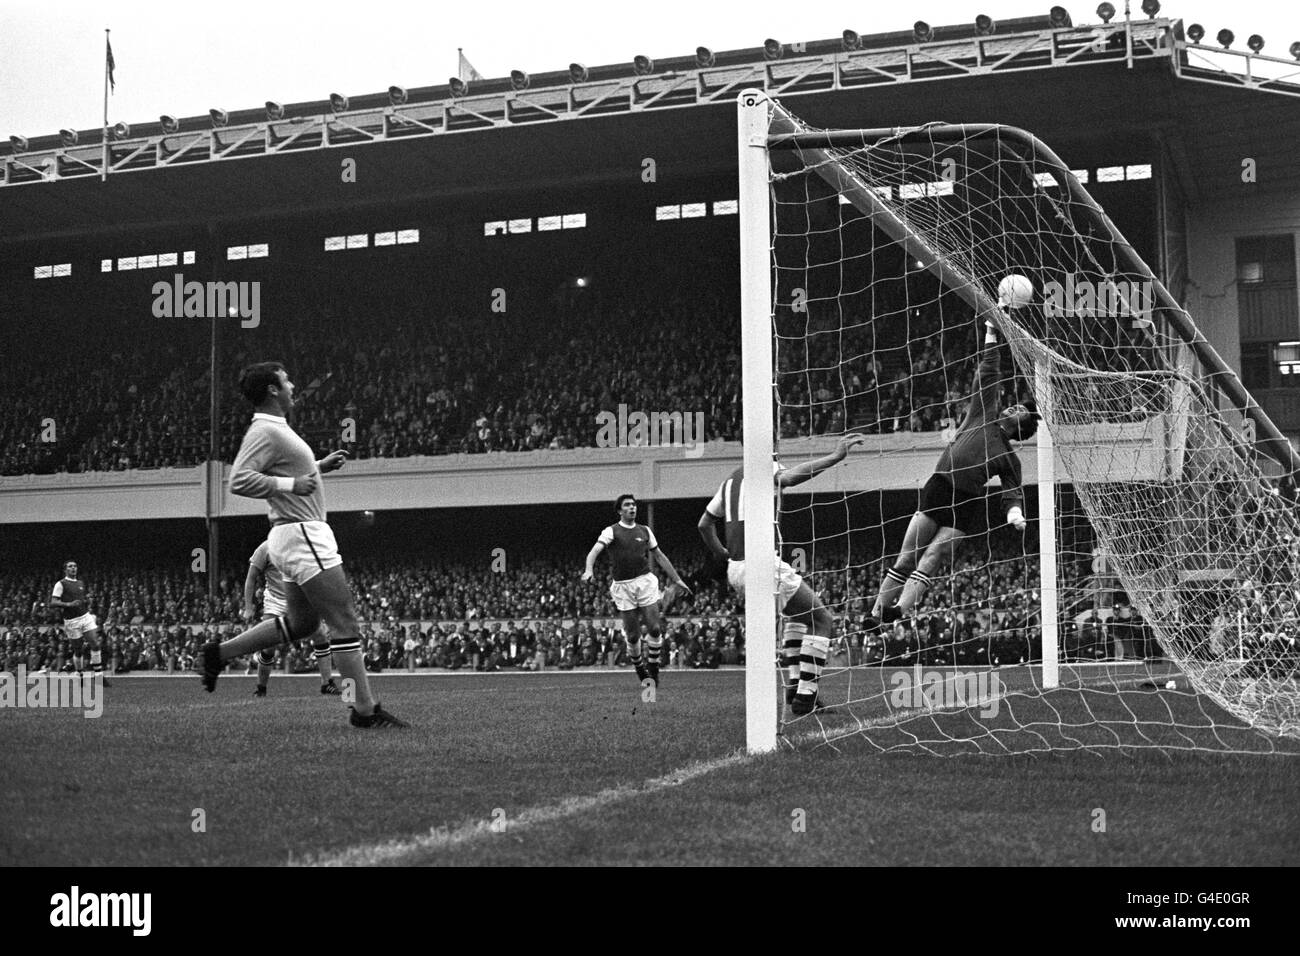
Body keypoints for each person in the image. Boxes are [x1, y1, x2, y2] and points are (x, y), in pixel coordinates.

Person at [199, 360, 406, 728]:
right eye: (287, 379)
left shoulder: (277, 429)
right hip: (303, 533)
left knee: (300, 622)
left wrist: (318, 468)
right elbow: (239, 481)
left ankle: (218, 653)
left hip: (289, 536)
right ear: (273, 390)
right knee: (344, 622)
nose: (293, 384)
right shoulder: (266, 429)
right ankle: (364, 709)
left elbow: (285, 473)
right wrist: (291, 486)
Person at [872, 315, 1037, 623]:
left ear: (1020, 427)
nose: (1015, 407)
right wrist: (991, 334)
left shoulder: (1008, 457)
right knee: (908, 556)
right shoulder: (983, 413)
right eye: (1016, 405)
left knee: (933, 558)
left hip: (967, 502)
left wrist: (1014, 512)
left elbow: (1013, 491)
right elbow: (988, 375)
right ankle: (875, 613)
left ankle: (897, 612)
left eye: (1022, 412)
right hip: (940, 486)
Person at [697, 434, 865, 716]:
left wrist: (724, 553)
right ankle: (806, 696)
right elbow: (789, 478)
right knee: (821, 619)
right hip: (761, 563)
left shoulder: (729, 481)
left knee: (796, 618)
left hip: (736, 568)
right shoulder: (765, 466)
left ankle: (793, 688)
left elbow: (704, 525)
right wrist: (835, 457)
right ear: (770, 446)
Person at [582, 494, 690, 688]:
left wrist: (677, 580)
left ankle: (653, 669)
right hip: (623, 586)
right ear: (619, 510)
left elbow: (659, 555)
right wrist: (589, 569)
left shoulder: (645, 531)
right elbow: (594, 552)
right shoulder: (611, 531)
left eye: (634, 505)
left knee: (655, 628)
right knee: (632, 636)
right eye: (627, 505)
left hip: (644, 581)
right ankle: (640, 668)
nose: (632, 508)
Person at [243, 537, 340, 697]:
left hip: (299, 600)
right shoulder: (265, 548)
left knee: (321, 636)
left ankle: (326, 684)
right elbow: (251, 577)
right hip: (276, 601)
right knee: (268, 645)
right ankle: (261, 688)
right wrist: (248, 607)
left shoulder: (302, 546)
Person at [49, 561, 110, 687]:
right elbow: (53, 602)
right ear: (65, 569)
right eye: (70, 566)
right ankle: (79, 674)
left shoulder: (80, 583)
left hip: (85, 617)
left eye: (75, 566)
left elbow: (79, 600)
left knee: (95, 643)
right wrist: (68, 604)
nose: (73, 568)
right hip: (71, 621)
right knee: (78, 650)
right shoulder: (61, 584)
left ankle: (98, 675)